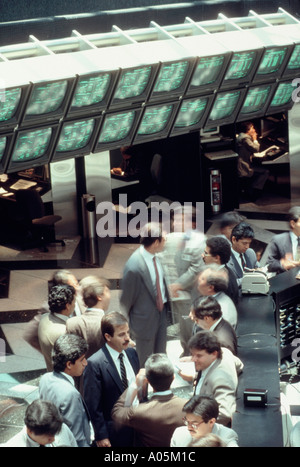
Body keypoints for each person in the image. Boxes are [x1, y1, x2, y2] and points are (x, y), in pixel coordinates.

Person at [83, 311, 140, 447]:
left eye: (127, 332)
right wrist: (101, 435)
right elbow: (93, 405)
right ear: (108, 337)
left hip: (138, 427)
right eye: (121, 335)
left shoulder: (132, 354)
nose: (127, 338)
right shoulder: (95, 364)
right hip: (115, 432)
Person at [158, 206, 206, 356]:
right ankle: (187, 350)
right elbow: (162, 260)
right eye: (175, 219)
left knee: (189, 325)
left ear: (192, 224)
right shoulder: (169, 239)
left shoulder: (198, 241)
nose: (176, 223)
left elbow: (197, 268)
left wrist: (179, 284)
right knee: (182, 323)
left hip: (191, 292)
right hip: (174, 292)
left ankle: (191, 352)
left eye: (181, 220)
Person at [111, 353, 187, 447]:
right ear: (173, 378)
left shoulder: (139, 411)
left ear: (148, 381)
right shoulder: (187, 407)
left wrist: (136, 383)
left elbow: (117, 412)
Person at [120, 222, 169, 366]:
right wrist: (129, 326)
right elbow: (126, 299)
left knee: (161, 357)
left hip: (160, 314)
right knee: (144, 362)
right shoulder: (134, 266)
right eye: (164, 239)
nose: (166, 242)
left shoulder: (156, 256)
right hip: (143, 322)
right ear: (155, 242)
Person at [39, 334, 91, 447]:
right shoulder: (71, 394)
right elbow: (77, 438)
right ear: (69, 364)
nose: (85, 363)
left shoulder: (45, 378)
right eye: (82, 360)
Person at [186, 331, 243, 426]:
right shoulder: (225, 352)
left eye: (199, 356)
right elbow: (239, 365)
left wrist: (197, 425)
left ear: (214, 354)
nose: (193, 359)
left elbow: (225, 414)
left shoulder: (220, 379)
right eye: (192, 355)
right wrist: (195, 377)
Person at [23, 269, 85, 352]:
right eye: (72, 286)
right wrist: (50, 352)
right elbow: (30, 335)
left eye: (76, 283)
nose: (77, 288)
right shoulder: (48, 308)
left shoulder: (83, 297)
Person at [66, 276, 111, 358]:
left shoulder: (72, 323)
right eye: (107, 291)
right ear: (99, 296)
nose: (109, 296)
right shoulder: (110, 323)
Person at [1, 399, 77, 447]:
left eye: (54, 434)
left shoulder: (59, 428)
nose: (53, 439)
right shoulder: (15, 444)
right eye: (48, 436)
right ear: (29, 430)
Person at [170, 395, 238, 447]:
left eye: (194, 424)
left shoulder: (226, 438)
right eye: (187, 422)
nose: (189, 428)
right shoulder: (179, 435)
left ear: (211, 422)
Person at [38, 284, 76, 371]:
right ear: (67, 305)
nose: (75, 304)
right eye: (74, 301)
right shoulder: (65, 332)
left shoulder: (44, 317)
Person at [197, 264, 238, 329]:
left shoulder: (218, 309)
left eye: (202, 279)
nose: (198, 279)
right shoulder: (215, 299)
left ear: (210, 287)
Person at [236, 121, 269, 200]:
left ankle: (252, 189)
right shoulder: (245, 139)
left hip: (242, 164)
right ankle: (255, 191)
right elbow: (256, 149)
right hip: (243, 167)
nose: (254, 130)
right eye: (252, 128)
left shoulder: (240, 136)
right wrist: (255, 139)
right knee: (265, 171)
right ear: (248, 130)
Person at [202, 236, 239, 306]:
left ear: (216, 258)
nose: (203, 256)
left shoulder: (221, 282)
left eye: (206, 253)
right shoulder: (226, 272)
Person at [267, 206, 300, 274]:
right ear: (293, 224)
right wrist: (283, 264)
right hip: (287, 282)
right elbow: (270, 265)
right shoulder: (278, 240)